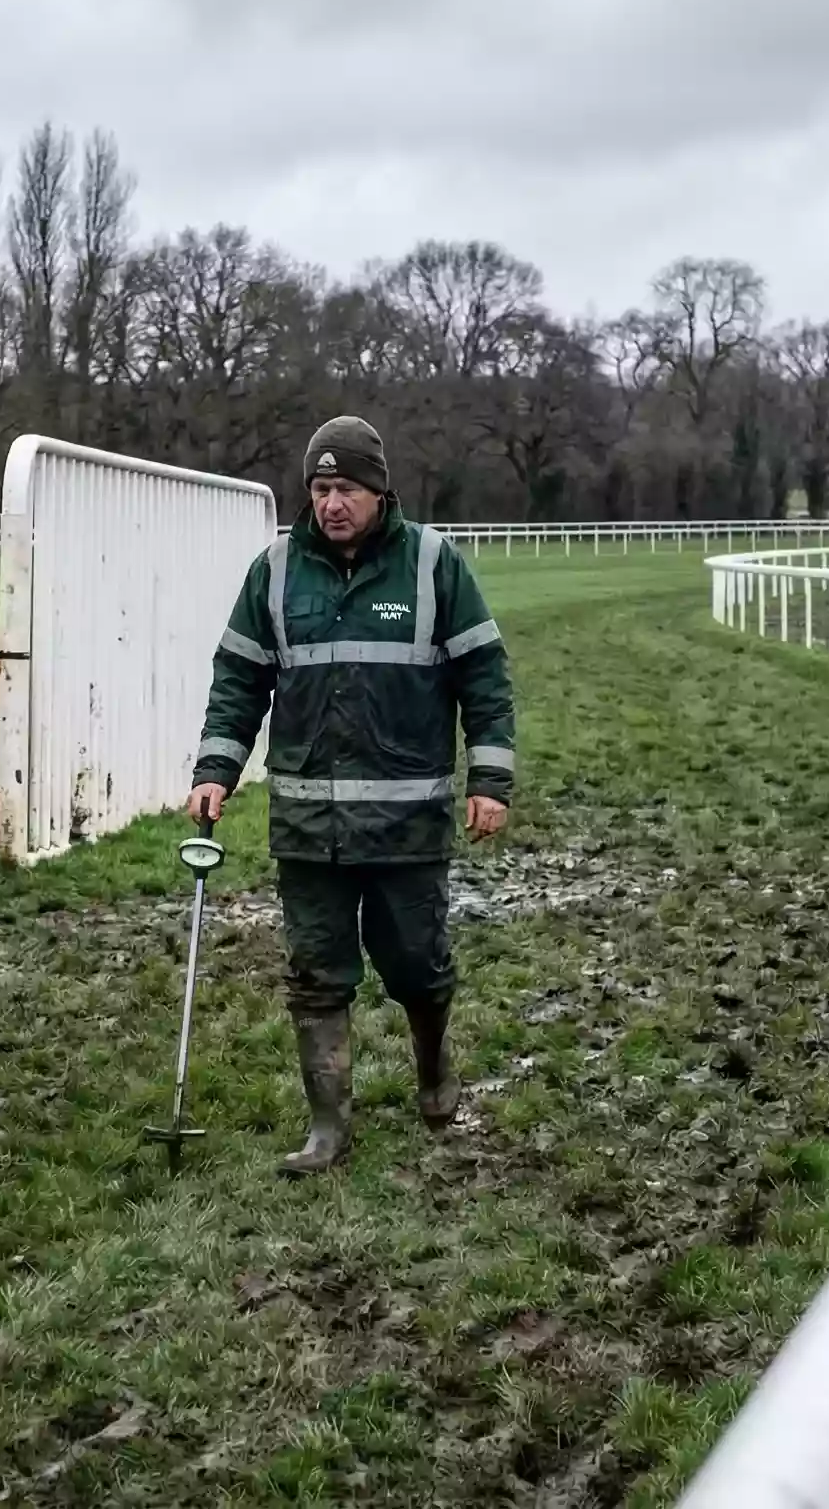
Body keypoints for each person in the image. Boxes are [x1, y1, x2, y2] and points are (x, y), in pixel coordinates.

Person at [186, 415, 516, 1175]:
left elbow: (487, 680)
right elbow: (238, 680)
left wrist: (490, 779)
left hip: (407, 826)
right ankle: (328, 1129)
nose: (332, 503)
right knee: (316, 971)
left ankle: (434, 1072)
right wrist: (215, 770)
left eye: (347, 489)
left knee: (417, 965)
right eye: (320, 487)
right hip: (308, 827)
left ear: (379, 491)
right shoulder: (273, 572)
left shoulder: (434, 565)